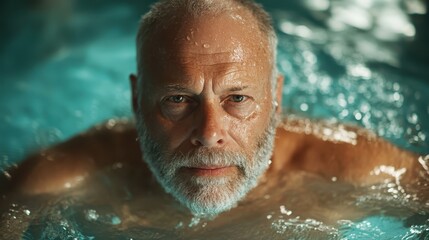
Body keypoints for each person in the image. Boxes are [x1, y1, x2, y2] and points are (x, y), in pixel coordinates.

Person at [2, 0, 426, 219]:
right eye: (178, 100)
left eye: (237, 99)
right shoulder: (57, 181)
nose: (209, 132)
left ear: (275, 97)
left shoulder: (357, 169)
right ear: (136, 100)